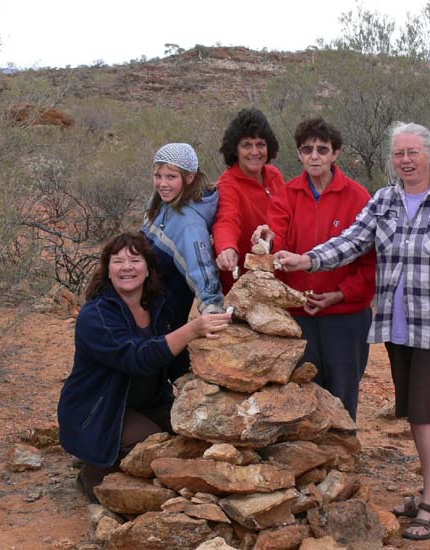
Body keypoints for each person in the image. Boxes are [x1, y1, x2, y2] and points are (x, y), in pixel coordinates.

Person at [275, 122, 430, 541]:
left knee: (425, 412)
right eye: (398, 154)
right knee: (413, 410)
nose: (406, 160)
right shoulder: (384, 201)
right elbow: (352, 242)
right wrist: (306, 261)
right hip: (397, 325)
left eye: (413, 152)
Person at [58, 232, 231, 503]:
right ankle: (93, 474)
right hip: (101, 409)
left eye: (135, 260)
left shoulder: (158, 306)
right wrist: (192, 329)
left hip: (150, 402)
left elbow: (175, 361)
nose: (127, 267)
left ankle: (120, 459)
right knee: (155, 447)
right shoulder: (96, 315)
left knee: (195, 433)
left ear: (149, 270)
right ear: (108, 270)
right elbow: (137, 358)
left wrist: (199, 390)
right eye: (118, 261)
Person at [251, 117, 376, 421]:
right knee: (303, 393)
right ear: (299, 154)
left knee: (343, 394)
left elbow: (371, 263)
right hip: (298, 314)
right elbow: (278, 236)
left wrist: (340, 294)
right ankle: (311, 462)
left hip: (346, 315)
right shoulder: (287, 194)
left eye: (322, 149)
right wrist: (267, 239)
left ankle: (342, 459)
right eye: (307, 150)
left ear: (336, 154)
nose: (314, 156)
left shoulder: (359, 197)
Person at [141, 142, 224, 323]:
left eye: (171, 177)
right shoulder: (161, 202)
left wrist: (212, 310)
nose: (162, 183)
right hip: (145, 305)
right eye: (158, 176)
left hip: (165, 317)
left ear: (189, 177)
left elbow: (202, 269)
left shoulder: (189, 224)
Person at [212, 108, 285, 293]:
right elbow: (227, 219)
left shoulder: (275, 176)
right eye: (246, 145)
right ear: (235, 150)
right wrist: (227, 247)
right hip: (242, 286)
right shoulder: (228, 183)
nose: (255, 151)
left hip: (277, 279)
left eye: (260, 144)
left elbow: (286, 219)